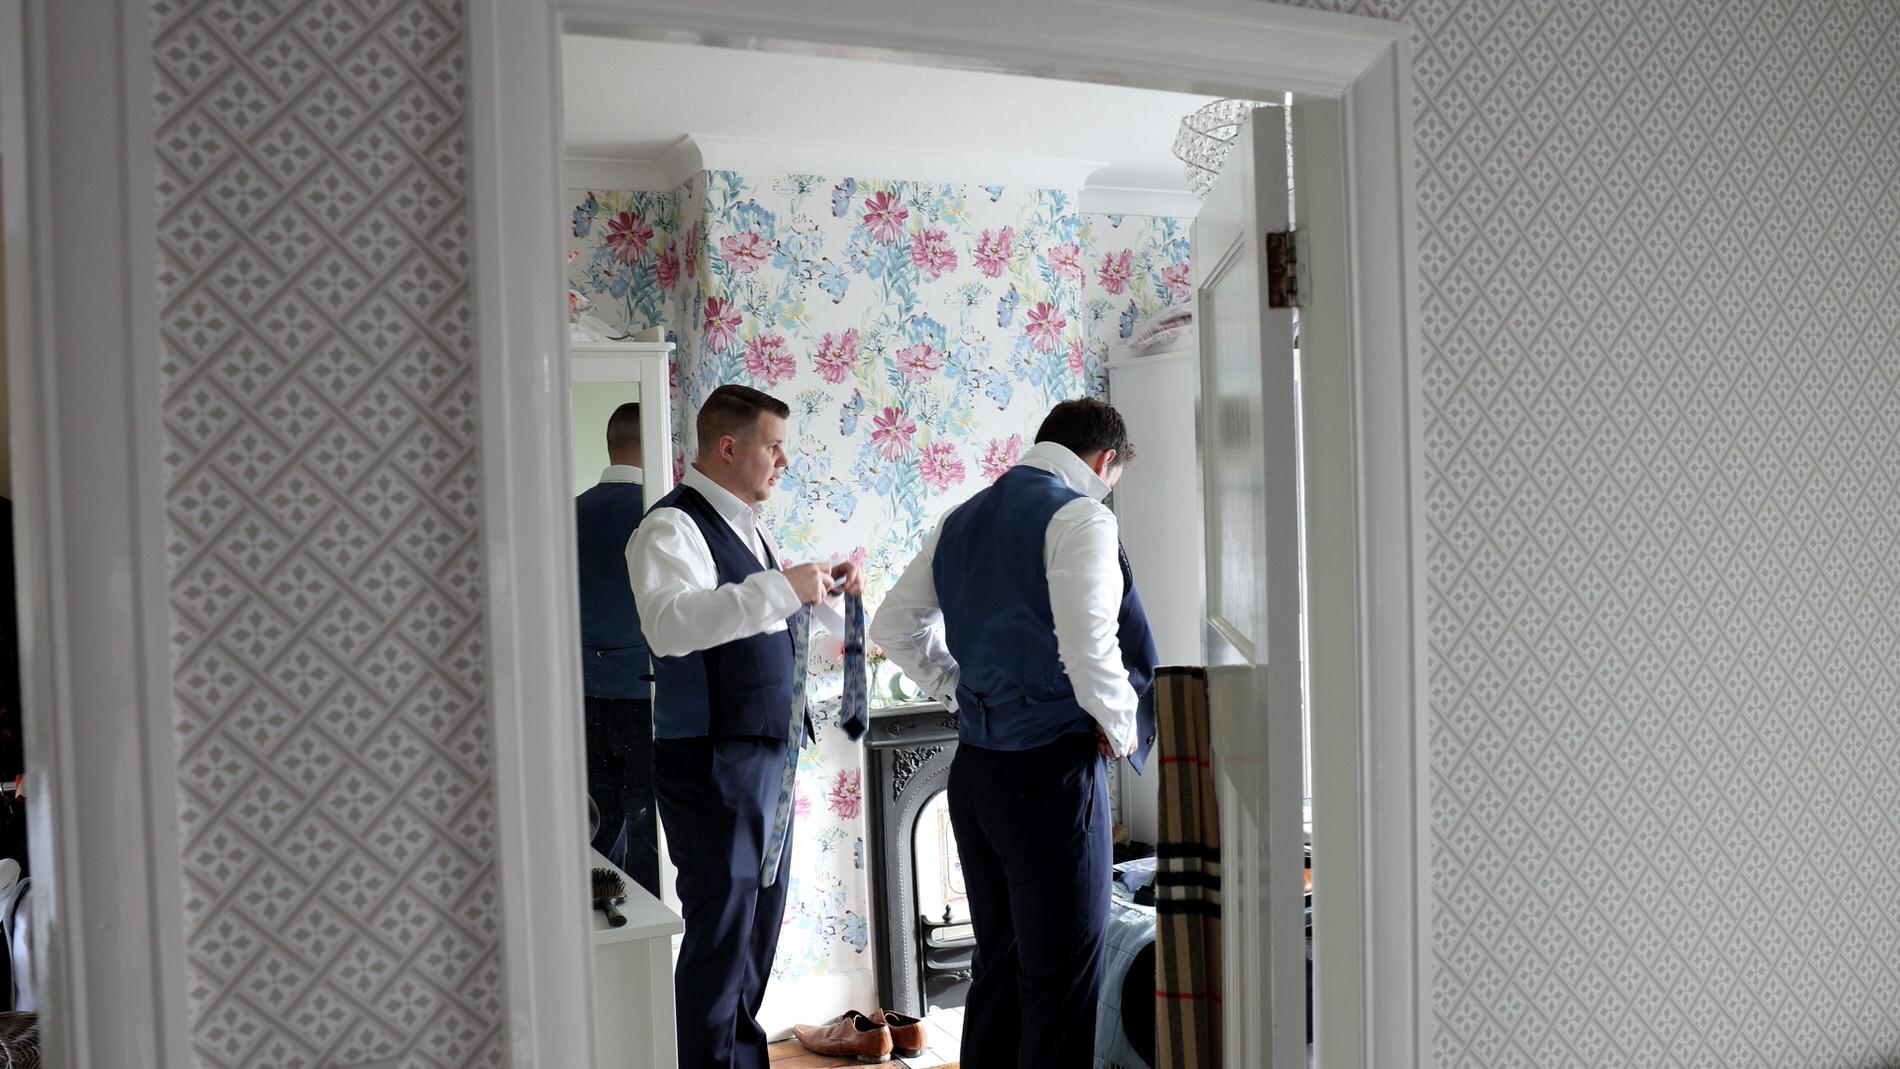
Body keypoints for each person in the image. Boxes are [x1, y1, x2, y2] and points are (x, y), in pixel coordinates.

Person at [870, 397, 1159, 1069]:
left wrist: (955, 687)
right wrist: (1119, 732)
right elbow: (1091, 650)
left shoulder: (960, 518)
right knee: (1062, 981)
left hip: (977, 775)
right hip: (1051, 773)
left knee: (996, 963)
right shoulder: (1080, 515)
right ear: (1104, 460)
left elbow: (892, 626)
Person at [628, 384, 864, 1069]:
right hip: (714, 762)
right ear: (729, 447)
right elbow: (672, 626)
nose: (783, 461)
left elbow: (754, 627)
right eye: (773, 445)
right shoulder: (669, 527)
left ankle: (739, 1059)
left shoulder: (750, 529)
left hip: (769, 757)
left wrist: (825, 599)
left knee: (756, 935)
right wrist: (787, 585)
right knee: (722, 936)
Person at [575, 401, 660, 896]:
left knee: (596, 820)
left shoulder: (568, 513)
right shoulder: (662, 517)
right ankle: (650, 938)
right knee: (647, 821)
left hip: (583, 693)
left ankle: (603, 930)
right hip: (645, 696)